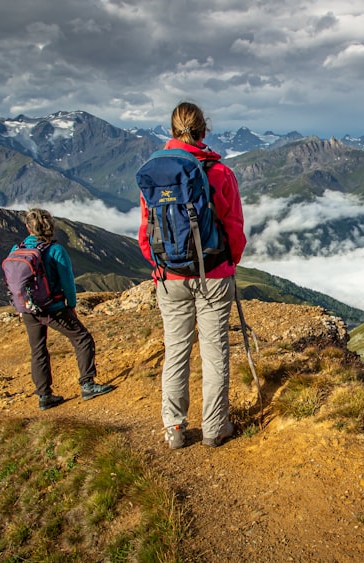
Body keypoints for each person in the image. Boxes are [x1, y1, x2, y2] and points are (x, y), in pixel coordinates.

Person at [139, 102, 247, 448]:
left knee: (176, 350)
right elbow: (234, 229)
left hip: (169, 277)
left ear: (172, 131)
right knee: (214, 352)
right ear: (204, 131)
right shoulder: (219, 172)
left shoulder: (155, 173)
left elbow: (146, 233)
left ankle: (174, 428)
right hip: (214, 274)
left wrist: (162, 269)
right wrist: (229, 264)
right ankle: (215, 428)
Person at [17, 208, 115, 410]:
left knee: (38, 350)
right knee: (82, 338)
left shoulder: (16, 250)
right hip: (53, 308)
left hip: (28, 309)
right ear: (51, 227)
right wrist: (71, 305)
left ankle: (44, 396)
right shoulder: (55, 251)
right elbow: (68, 283)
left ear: (28, 227)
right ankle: (87, 384)